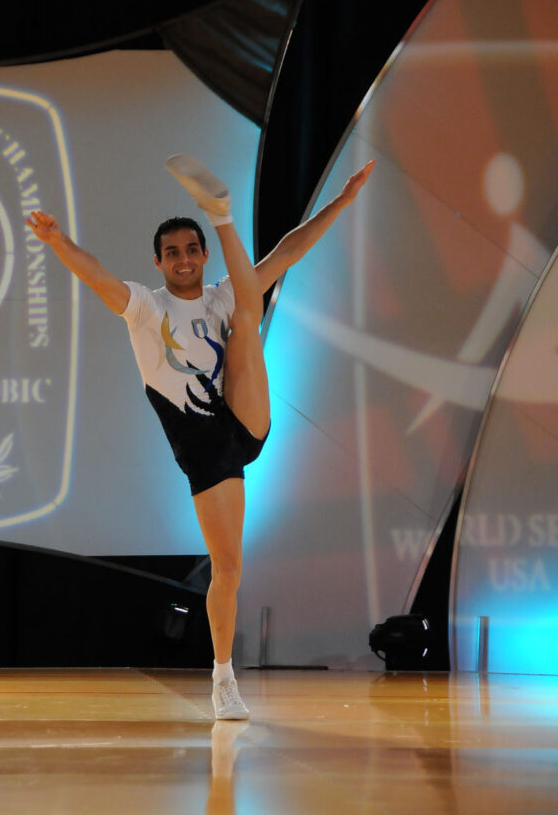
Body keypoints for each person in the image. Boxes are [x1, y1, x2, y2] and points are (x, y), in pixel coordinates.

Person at [27, 153, 374, 719]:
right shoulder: (146, 307)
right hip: (207, 449)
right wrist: (58, 240)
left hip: (246, 418)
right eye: (173, 252)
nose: (183, 259)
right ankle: (222, 678)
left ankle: (222, 216)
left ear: (205, 255)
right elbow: (97, 276)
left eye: (192, 249)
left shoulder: (220, 295)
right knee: (228, 568)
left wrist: (342, 201)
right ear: (158, 262)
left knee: (246, 311)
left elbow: (289, 251)